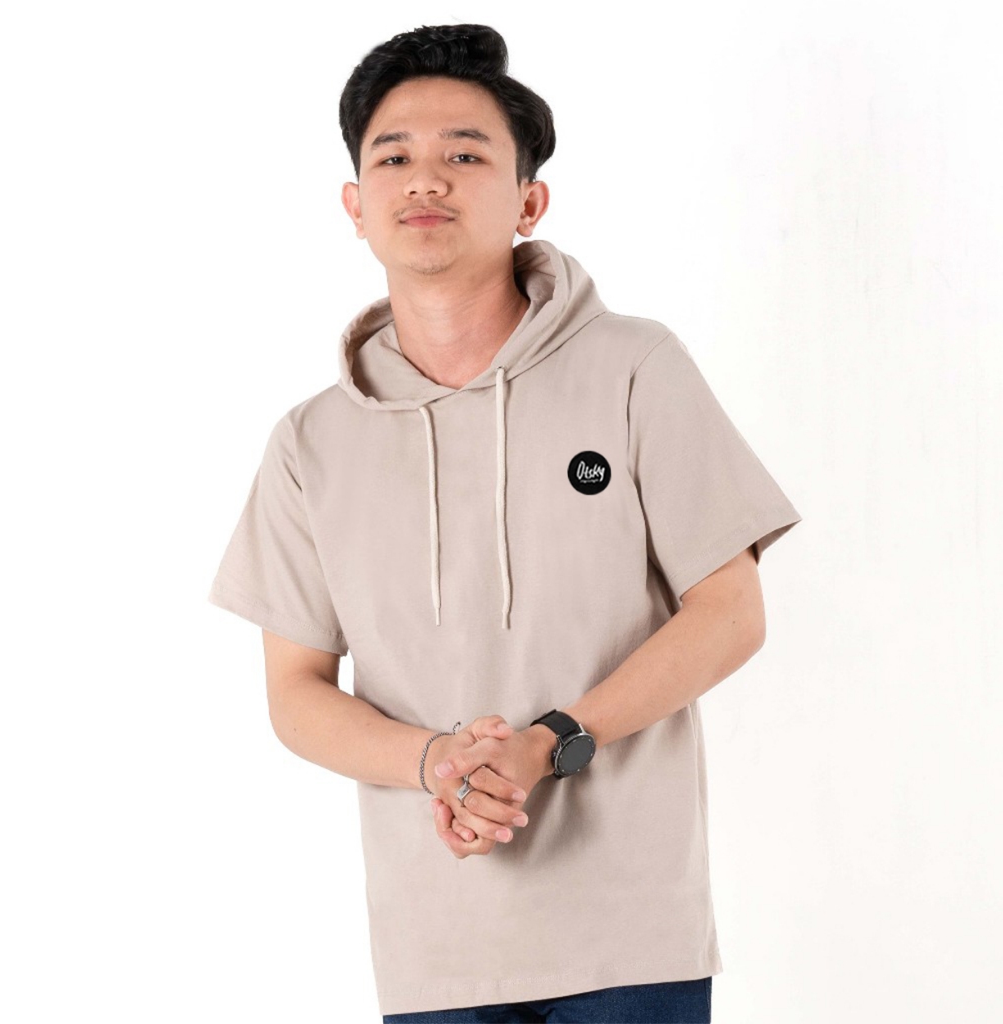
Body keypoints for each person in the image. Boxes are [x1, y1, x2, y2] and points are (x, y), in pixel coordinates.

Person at [207, 22, 802, 1024]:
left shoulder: (634, 368)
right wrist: (435, 762)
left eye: (465, 154)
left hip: (632, 937)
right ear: (355, 205)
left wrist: (553, 738)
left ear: (529, 200)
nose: (425, 179)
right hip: (434, 951)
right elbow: (295, 691)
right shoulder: (312, 442)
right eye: (393, 157)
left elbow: (731, 611)